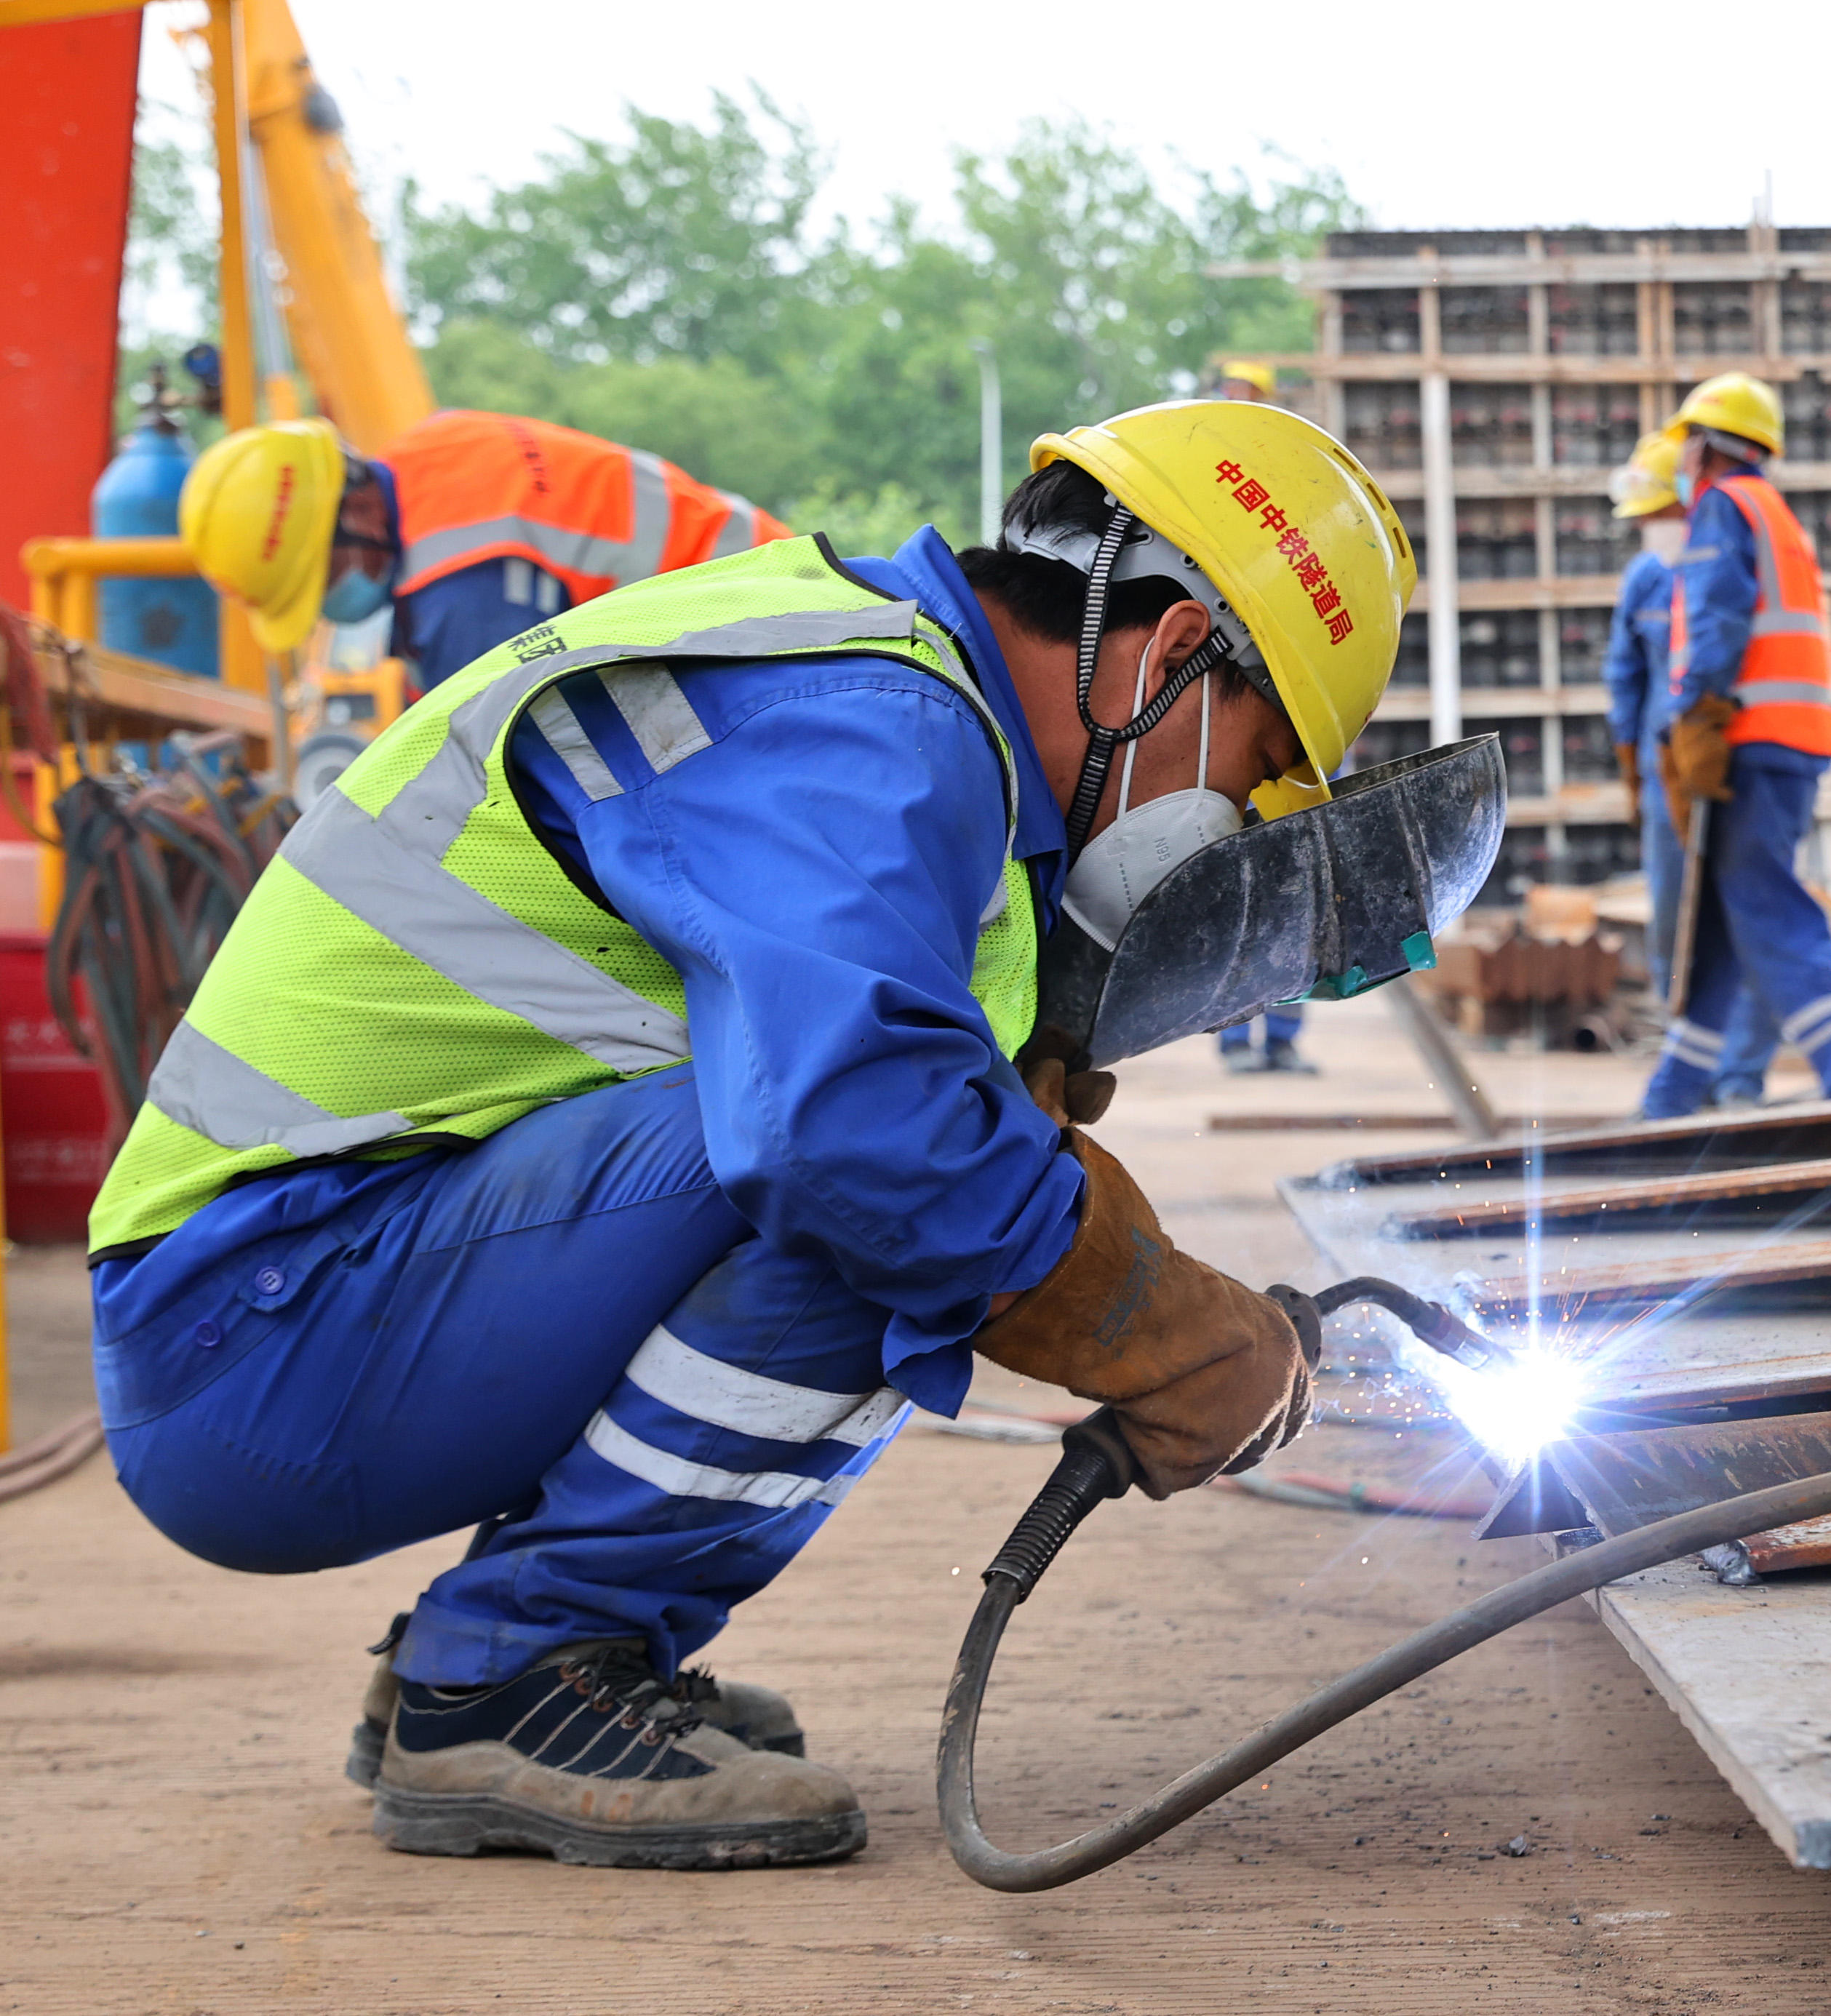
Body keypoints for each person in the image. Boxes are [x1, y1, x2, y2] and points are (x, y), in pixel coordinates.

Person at [91, 400, 1437, 1870]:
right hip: (253, 1341)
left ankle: (532, 1653)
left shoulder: (898, 709)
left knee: (926, 1160)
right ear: (1172, 653)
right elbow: (851, 1131)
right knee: (874, 1174)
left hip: (297, 1311)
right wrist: (1163, 1323)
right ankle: (508, 1679)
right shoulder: (877, 726)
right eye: (1250, 769)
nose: (1231, 814)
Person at [1636, 374, 1831, 1120]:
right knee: (1719, 923)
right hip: (1792, 737)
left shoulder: (1724, 507)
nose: (1681, 459)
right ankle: (1676, 1092)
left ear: (1706, 446)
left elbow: (1718, 616)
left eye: (1687, 442)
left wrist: (1695, 716)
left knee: (1765, 905)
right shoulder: (1775, 511)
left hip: (1749, 736)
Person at [180, 410, 793, 693]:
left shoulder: (464, 594)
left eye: (322, 579)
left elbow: (512, 776)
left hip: (765, 649)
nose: (327, 607)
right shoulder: (433, 446)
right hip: (776, 587)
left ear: (357, 511)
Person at [1605, 436, 1777, 1105]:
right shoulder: (1647, 579)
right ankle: (1691, 1069)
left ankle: (1740, 1076)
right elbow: (1625, 674)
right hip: (1666, 775)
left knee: (1745, 916)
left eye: (1660, 517)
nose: (1654, 532)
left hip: (1736, 766)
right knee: (1677, 924)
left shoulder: (1731, 557)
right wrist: (1631, 759)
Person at [1202, 358, 1315, 1075]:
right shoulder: (1204, 512)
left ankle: (1281, 1041)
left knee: (1296, 885)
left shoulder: (1290, 510)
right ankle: (1235, 1038)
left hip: (1289, 722)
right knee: (1236, 887)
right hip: (1230, 724)